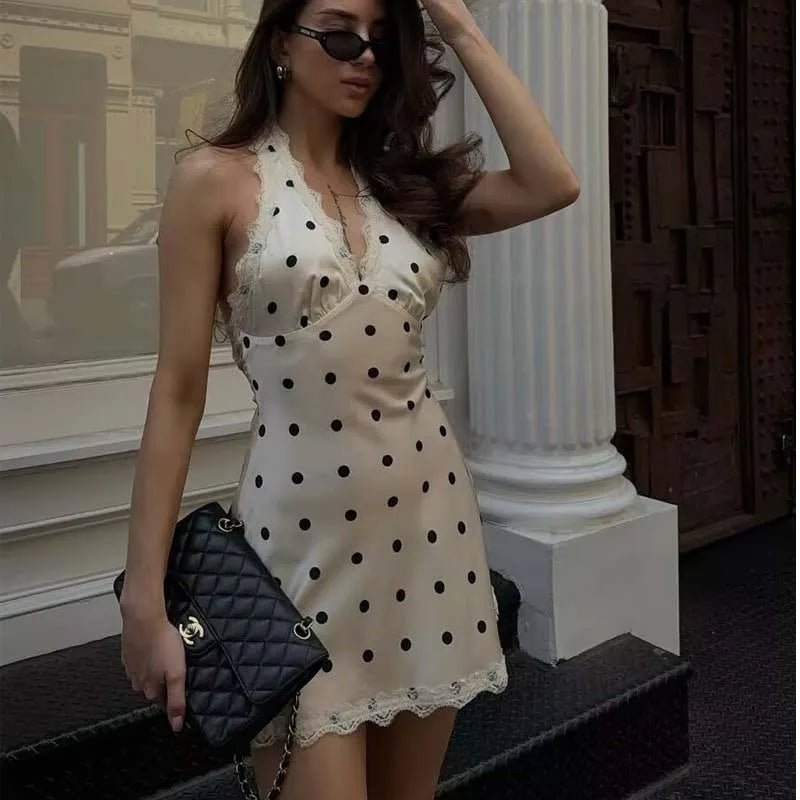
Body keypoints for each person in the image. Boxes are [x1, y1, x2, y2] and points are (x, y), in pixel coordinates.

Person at [119, 1, 580, 798]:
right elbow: (179, 391)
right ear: (279, 45)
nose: (363, 55)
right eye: (338, 33)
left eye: (381, 40)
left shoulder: (403, 184)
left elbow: (552, 181)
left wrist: (461, 27)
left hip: (431, 543)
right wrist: (143, 595)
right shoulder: (214, 180)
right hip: (298, 557)